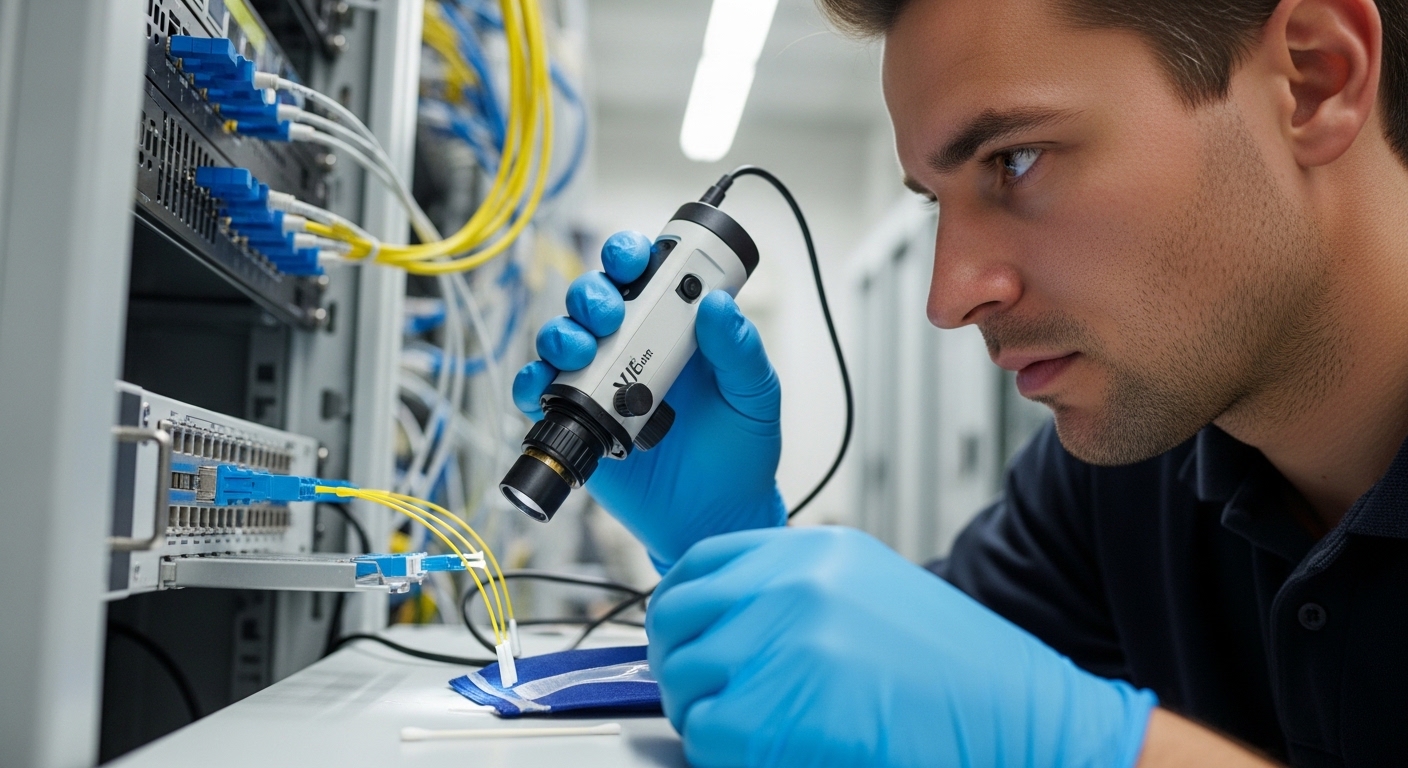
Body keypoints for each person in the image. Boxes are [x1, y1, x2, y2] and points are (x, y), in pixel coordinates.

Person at [513, 0, 1408, 764]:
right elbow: (889, 702)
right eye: (935, 200)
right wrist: (733, 547)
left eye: (1014, 160)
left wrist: (1093, 748)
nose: (948, 299)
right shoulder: (1127, 472)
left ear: (1315, 76)